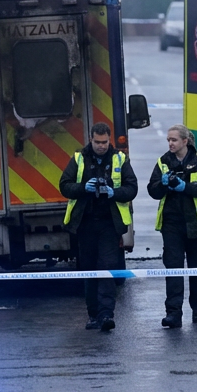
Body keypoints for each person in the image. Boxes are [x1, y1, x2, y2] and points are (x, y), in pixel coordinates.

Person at [59, 122, 138, 332]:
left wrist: (114, 191)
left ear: (109, 140)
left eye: (104, 142)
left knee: (108, 268)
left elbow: (132, 188)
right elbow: (64, 185)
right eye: (97, 142)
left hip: (109, 224)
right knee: (89, 270)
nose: (101, 146)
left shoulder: (120, 159)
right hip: (85, 224)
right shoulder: (79, 158)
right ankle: (93, 314)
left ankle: (106, 315)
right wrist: (84, 188)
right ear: (91, 139)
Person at [147, 124, 197, 328]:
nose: (170, 143)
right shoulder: (163, 162)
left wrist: (185, 187)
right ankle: (173, 313)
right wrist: (162, 184)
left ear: (185, 142)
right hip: (172, 224)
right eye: (168, 140)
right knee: (173, 267)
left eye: (174, 140)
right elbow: (153, 191)